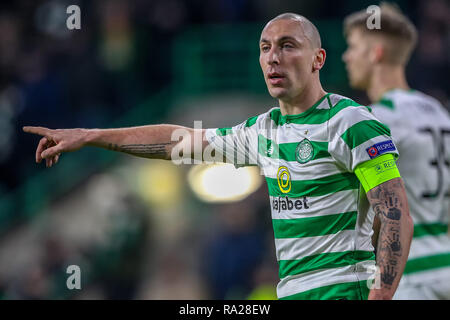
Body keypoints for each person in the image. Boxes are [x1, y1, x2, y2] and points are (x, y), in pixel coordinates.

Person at [23, 13, 414, 300]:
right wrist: (91, 136)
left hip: (344, 290)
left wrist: (379, 296)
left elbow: (395, 214)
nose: (273, 57)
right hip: (291, 292)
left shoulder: (350, 122)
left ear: (318, 59)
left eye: (288, 46)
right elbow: (175, 141)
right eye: (265, 48)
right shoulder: (262, 131)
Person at [342, 3, 450, 299]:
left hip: (410, 277)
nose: (346, 56)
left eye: (352, 47)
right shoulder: (439, 111)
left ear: (376, 52)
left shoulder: (375, 118)